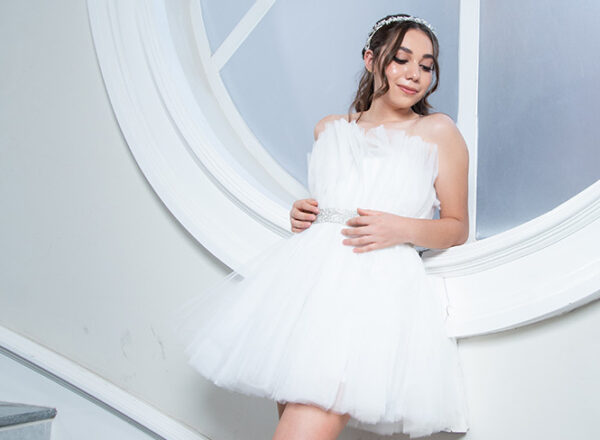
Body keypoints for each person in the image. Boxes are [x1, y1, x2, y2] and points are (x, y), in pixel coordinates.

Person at [173, 13, 470, 439]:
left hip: (373, 292)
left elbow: (456, 227)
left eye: (426, 66)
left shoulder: (438, 131)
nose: (414, 75)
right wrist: (307, 212)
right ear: (371, 59)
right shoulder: (329, 129)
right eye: (401, 60)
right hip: (306, 288)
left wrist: (401, 228)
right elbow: (335, 204)